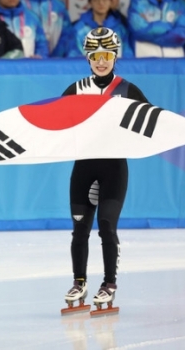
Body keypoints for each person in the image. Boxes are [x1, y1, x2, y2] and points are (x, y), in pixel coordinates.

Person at [62, 27, 149, 313]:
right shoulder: (75, 89)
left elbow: (154, 122)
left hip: (113, 167)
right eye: (96, 56)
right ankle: (79, 281)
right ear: (88, 58)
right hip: (84, 167)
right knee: (80, 228)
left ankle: (109, 283)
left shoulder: (128, 89)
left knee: (107, 226)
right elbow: (54, 122)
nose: (102, 61)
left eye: (107, 55)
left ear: (115, 57)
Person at [66, 0, 133, 58]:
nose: (101, 3)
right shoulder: (79, 29)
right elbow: (73, 55)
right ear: (89, 2)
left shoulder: (120, 29)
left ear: (110, 2)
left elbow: (128, 55)